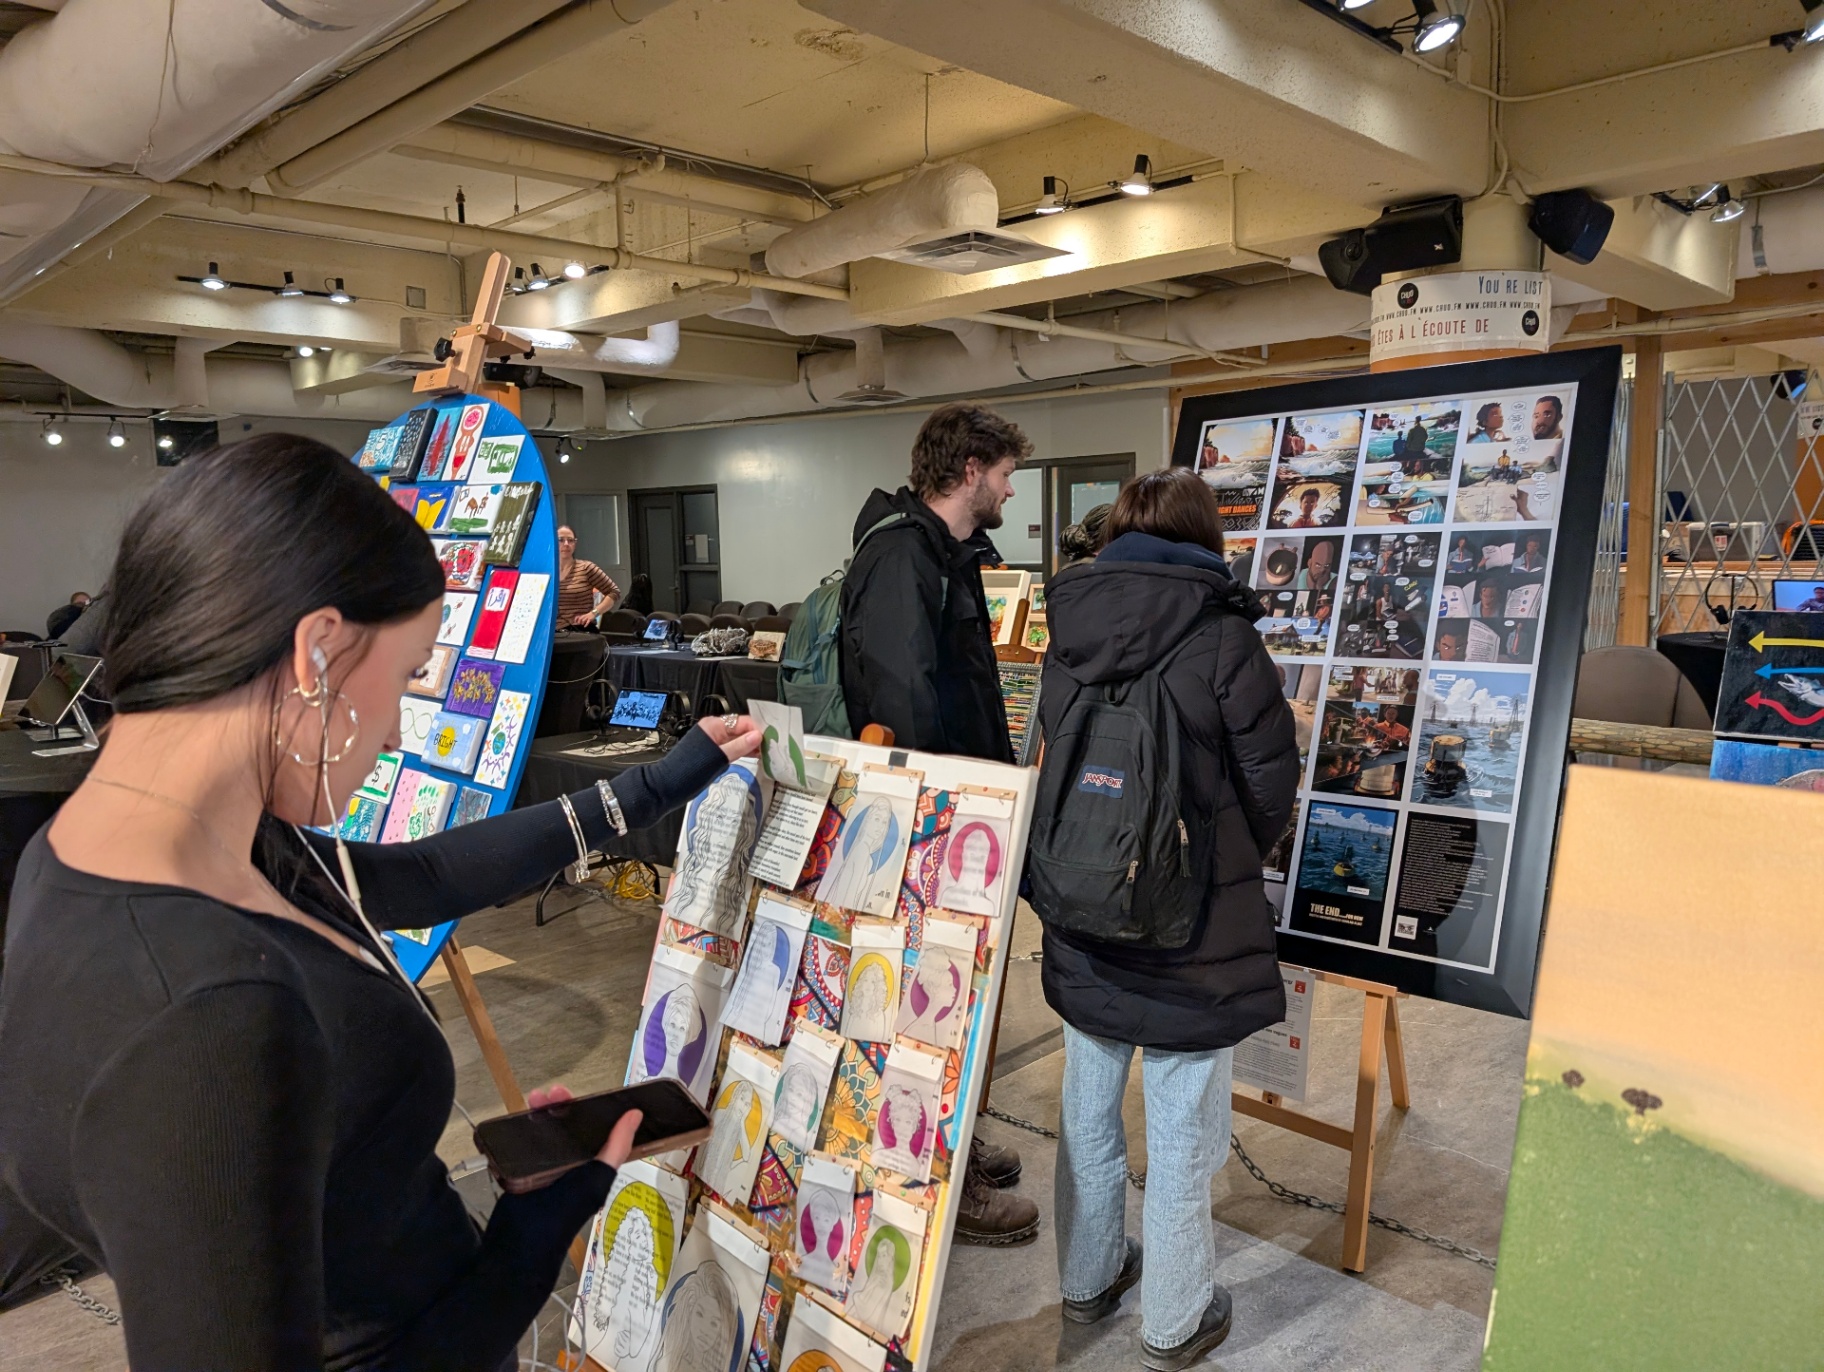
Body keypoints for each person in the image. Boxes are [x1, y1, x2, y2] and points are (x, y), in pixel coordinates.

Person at [0, 434, 762, 1372]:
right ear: (318, 648)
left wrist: (661, 782)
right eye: (404, 677)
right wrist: (525, 1244)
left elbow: (426, 877)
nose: (401, 724)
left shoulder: (115, 850)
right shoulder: (205, 1013)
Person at [1038, 468, 1297, 1371]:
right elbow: (1271, 785)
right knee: (1185, 1130)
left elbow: (1053, 761)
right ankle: (1176, 1319)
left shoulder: (1064, 625)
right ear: (1203, 536)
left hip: (1082, 909)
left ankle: (1089, 1279)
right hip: (1192, 932)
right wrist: (1221, 860)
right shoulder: (1224, 636)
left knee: (1087, 1112)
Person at [837, 401, 1036, 1245]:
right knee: (917, 1008)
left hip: (959, 820)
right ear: (969, 473)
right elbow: (903, 705)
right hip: (923, 831)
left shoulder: (942, 555)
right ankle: (925, 1179)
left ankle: (948, 1141)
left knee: (948, 1008)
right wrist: (943, 830)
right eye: (1004, 474)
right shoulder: (900, 558)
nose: (1011, 490)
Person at [556, 524, 622, 627]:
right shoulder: (546, 573)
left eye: (570, 540)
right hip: (551, 634)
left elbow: (614, 591)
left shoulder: (586, 568)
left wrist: (593, 613)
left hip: (579, 629)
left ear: (575, 543)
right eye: (560, 540)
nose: (566, 544)